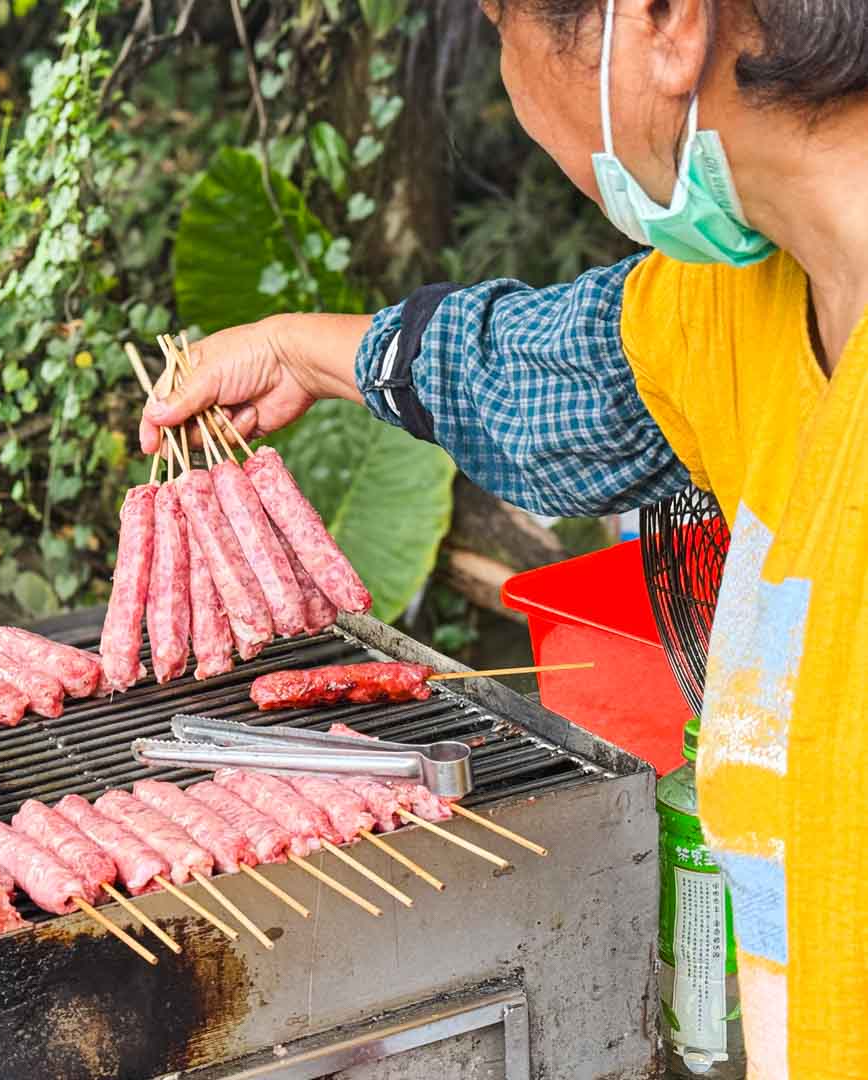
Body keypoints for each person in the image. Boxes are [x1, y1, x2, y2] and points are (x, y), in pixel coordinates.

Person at [140, 1, 868, 1076]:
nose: (507, 78)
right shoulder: (748, 300)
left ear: (664, 21)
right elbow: (544, 380)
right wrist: (296, 351)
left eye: (499, 21)